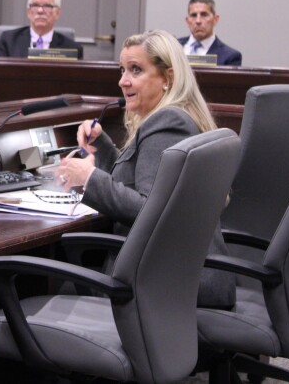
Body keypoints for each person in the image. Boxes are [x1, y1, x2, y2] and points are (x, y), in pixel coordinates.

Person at [56, 29, 235, 309]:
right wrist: (102, 147)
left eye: (135, 70)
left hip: (160, 286)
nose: (122, 81)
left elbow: (149, 209)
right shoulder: (179, 117)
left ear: (168, 78)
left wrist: (88, 178)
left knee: (46, 284)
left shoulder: (166, 124)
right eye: (122, 69)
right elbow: (139, 181)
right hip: (181, 275)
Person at [0, 0, 84, 59]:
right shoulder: (9, 40)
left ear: (57, 13)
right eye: (35, 5)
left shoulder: (72, 48)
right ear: (28, 11)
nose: (40, 11)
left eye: (47, 6)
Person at [177, 0, 242, 66]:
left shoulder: (230, 56)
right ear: (187, 21)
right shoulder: (173, 48)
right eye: (193, 15)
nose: (198, 21)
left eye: (204, 15)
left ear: (215, 19)